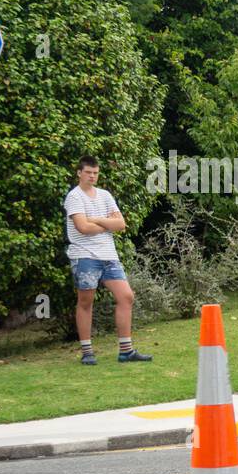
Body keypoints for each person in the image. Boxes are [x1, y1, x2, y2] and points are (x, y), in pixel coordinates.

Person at [64, 155, 152, 365]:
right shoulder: (74, 197)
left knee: (126, 296)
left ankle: (126, 351)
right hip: (84, 255)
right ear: (79, 173)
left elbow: (121, 224)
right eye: (88, 172)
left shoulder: (104, 195)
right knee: (86, 302)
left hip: (109, 255)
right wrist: (107, 223)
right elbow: (82, 228)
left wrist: (94, 219)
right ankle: (87, 352)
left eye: (95, 173)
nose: (92, 176)